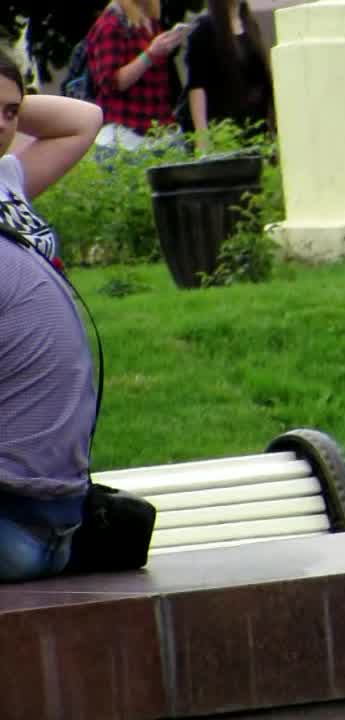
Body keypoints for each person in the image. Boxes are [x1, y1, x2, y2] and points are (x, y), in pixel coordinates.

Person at [0, 51, 105, 582]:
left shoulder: (7, 179)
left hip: (51, 520)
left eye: (10, 113)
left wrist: (14, 99)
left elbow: (84, 120)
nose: (4, 125)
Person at [86, 0, 188, 152]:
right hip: (126, 137)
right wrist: (150, 54)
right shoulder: (110, 24)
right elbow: (111, 83)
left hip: (160, 131)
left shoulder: (149, 21)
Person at [185, 0, 275, 150]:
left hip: (257, 130)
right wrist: (202, 136)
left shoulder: (250, 24)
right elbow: (196, 86)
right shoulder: (204, 29)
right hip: (224, 131)